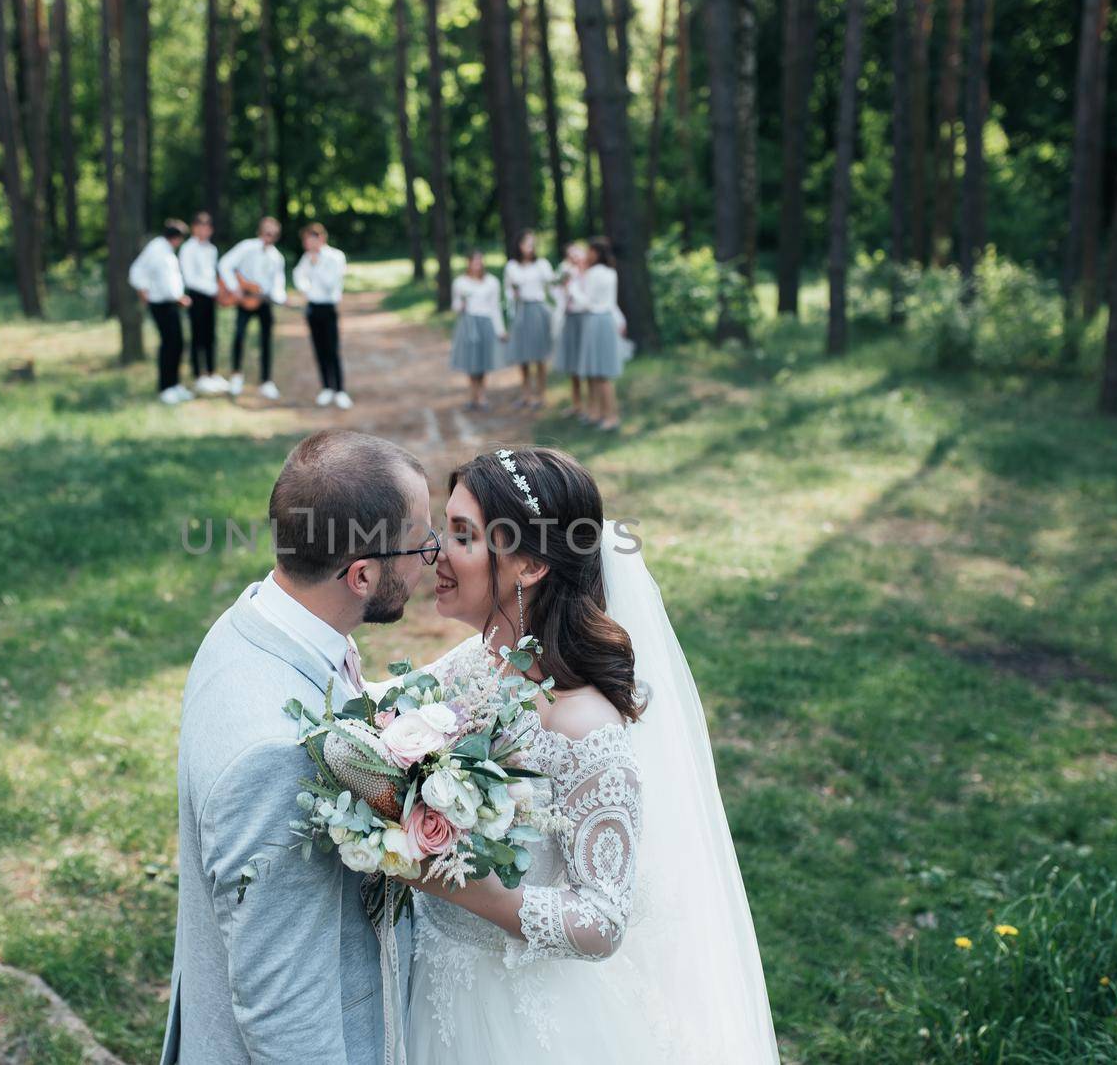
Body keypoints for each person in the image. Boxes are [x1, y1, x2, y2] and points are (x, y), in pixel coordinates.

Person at [402, 446, 780, 1064]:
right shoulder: (468, 669)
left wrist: (481, 896)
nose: (437, 552)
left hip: (519, 1020)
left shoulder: (583, 727)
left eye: (463, 535)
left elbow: (603, 921)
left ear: (526, 564)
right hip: (430, 985)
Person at [162, 428, 437, 1065]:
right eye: (422, 541)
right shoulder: (278, 757)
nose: (433, 555)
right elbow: (283, 1006)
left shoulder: (254, 622)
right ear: (363, 574)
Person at [219, 216, 289, 400]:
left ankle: (266, 381)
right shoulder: (246, 247)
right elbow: (225, 264)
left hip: (264, 302)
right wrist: (235, 288)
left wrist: (280, 297)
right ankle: (236, 376)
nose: (269, 235)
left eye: (273, 233)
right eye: (267, 231)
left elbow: (278, 283)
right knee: (240, 336)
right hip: (244, 300)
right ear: (260, 231)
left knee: (266, 339)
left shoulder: (277, 257)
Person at [129, 219, 193, 405]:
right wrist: (177, 297)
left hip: (169, 303)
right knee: (170, 345)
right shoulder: (159, 251)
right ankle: (166, 387)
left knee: (177, 344)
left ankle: (174, 384)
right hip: (163, 303)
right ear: (176, 238)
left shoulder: (161, 248)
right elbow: (154, 277)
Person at [293, 222, 352, 409]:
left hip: (328, 307)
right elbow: (298, 275)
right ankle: (326, 387)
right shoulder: (306, 258)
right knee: (318, 349)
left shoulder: (335, 257)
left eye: (310, 240)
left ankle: (340, 390)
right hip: (313, 307)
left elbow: (330, 283)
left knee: (332, 349)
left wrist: (315, 266)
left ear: (320, 238)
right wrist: (306, 289)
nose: (307, 245)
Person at [576, 237, 625, 430]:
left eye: (589, 251)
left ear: (595, 253)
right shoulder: (611, 272)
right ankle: (599, 413)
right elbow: (611, 303)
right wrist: (621, 320)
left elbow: (586, 301)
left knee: (600, 373)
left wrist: (572, 289)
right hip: (606, 321)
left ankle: (611, 416)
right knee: (599, 372)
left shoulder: (593, 274)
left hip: (594, 320)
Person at [502, 231, 555, 410]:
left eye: (532, 244)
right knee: (523, 354)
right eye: (526, 244)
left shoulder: (542, 265)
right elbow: (507, 291)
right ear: (519, 245)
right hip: (521, 310)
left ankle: (541, 394)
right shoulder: (512, 266)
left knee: (540, 355)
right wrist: (514, 296)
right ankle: (526, 394)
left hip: (538, 309)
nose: (530, 247)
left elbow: (551, 285)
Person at [449, 253, 506, 412]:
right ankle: (473, 395)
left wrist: (500, 330)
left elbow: (495, 307)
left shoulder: (491, 282)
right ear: (469, 263)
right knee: (471, 361)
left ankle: (481, 395)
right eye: (474, 262)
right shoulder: (460, 282)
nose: (477, 265)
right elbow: (455, 306)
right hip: (468, 323)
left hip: (485, 323)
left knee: (483, 360)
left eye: (479, 262)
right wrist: (462, 304)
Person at [180, 211, 228, 394]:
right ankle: (198, 375)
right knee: (197, 336)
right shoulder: (188, 249)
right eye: (200, 227)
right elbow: (190, 278)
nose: (204, 231)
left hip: (210, 297)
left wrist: (218, 290)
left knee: (210, 335)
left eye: (207, 227)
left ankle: (211, 372)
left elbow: (212, 274)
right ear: (194, 228)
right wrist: (213, 289)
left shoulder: (211, 249)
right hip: (197, 296)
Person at [551, 242, 590, 419]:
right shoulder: (566, 273)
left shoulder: (589, 274)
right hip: (570, 318)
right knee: (573, 364)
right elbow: (558, 295)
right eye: (571, 256)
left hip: (584, 319)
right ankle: (577, 404)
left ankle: (591, 405)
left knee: (587, 364)